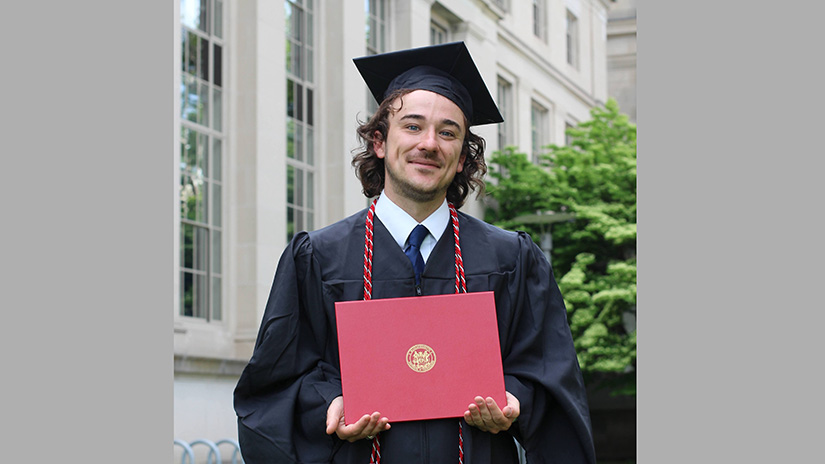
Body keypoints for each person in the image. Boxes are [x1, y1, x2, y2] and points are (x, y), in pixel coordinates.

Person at [234, 42, 596, 464]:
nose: (429, 144)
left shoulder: (511, 260)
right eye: (412, 126)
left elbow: (549, 372)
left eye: (448, 132)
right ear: (379, 142)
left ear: (462, 157)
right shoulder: (317, 257)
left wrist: (515, 399)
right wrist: (328, 403)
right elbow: (275, 384)